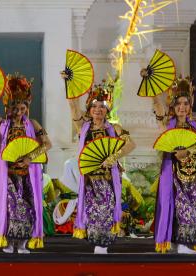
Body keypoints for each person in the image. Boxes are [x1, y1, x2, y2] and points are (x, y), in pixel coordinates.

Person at [0, 73, 51, 254]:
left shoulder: (33, 125)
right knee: (10, 207)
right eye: (15, 108)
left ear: (26, 108)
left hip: (26, 175)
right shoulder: (3, 124)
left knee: (27, 207)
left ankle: (23, 242)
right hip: (8, 175)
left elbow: (47, 144)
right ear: (8, 108)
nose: (18, 112)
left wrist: (30, 157)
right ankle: (9, 242)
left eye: (22, 108)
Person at [62, 74, 136, 254]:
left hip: (108, 180)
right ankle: (98, 246)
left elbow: (130, 144)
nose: (98, 109)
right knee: (91, 213)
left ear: (107, 109)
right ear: (89, 108)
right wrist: (68, 83)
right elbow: (72, 106)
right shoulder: (83, 127)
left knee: (106, 210)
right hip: (89, 181)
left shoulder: (115, 128)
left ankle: (102, 247)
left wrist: (114, 156)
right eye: (94, 106)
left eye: (102, 106)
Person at [143, 69, 196, 254]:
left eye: (185, 103)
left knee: (192, 208)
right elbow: (157, 107)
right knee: (175, 205)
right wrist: (152, 87)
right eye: (178, 103)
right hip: (174, 176)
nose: (182, 107)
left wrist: (188, 150)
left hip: (193, 176)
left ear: (190, 106)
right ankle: (179, 244)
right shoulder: (168, 123)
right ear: (173, 105)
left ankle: (182, 244)